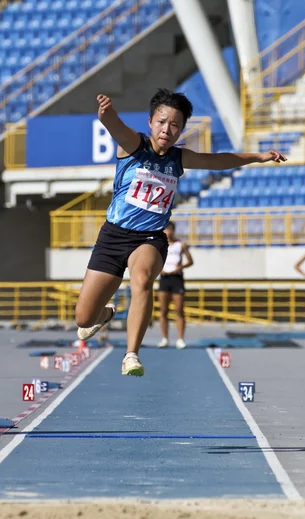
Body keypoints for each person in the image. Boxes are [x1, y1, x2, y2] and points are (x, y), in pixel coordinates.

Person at [75, 88, 287, 377]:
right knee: (83, 318)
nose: (167, 129)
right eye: (162, 122)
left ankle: (131, 355)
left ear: (181, 129)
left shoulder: (177, 159)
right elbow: (116, 127)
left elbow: (219, 160)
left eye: (175, 125)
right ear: (151, 122)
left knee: (142, 280)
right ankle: (105, 314)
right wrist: (107, 114)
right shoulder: (133, 146)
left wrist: (258, 156)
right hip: (113, 236)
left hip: (149, 238)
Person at [157, 221, 193, 349]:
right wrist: (159, 270)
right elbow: (154, 260)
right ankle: (164, 338)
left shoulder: (180, 245)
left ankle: (180, 339)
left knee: (179, 310)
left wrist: (180, 267)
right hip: (164, 278)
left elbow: (190, 261)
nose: (168, 232)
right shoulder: (160, 245)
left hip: (176, 278)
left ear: (173, 230)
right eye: (166, 229)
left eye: (170, 229)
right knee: (163, 311)